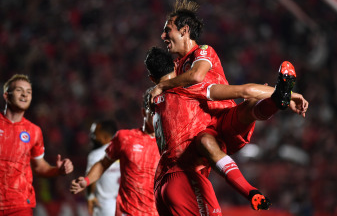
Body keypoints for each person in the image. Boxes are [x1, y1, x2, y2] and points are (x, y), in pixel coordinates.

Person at [144, 46, 308, 214]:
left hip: (160, 185)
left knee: (205, 140)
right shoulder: (186, 88)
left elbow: (150, 123)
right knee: (248, 105)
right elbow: (245, 90)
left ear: (151, 78)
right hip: (185, 176)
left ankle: (250, 192)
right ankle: (278, 98)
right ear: (175, 65)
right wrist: (291, 95)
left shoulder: (153, 100)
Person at [70, 90, 160, 216]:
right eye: (153, 108)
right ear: (143, 112)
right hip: (127, 212)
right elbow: (102, 164)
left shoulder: (170, 144)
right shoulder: (125, 138)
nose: (158, 113)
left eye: (161, 108)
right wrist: (86, 181)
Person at [0, 74, 74, 216]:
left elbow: (39, 167)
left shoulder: (34, 131)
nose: (24, 95)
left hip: (19, 206)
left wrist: (58, 170)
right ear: (6, 96)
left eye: (28, 92)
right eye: (19, 90)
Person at [85, 120, 120, 216]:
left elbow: (90, 179)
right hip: (124, 204)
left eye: (96, 134)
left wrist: (90, 196)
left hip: (104, 205)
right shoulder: (123, 151)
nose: (94, 137)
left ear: (105, 136)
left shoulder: (96, 155)